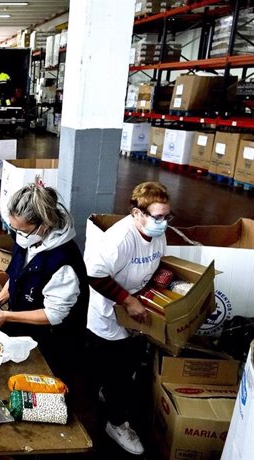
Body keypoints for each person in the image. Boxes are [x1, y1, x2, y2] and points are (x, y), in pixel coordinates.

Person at [85, 181, 172, 456]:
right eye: (157, 217)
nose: (163, 222)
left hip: (136, 313)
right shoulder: (119, 240)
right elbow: (94, 275)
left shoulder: (156, 234)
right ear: (137, 213)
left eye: (167, 216)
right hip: (111, 313)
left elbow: (154, 264)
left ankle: (110, 396)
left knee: (126, 366)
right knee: (117, 370)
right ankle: (115, 423)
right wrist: (129, 300)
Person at [0, 184, 89, 382]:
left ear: (44, 225)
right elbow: (17, 276)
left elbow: (54, 314)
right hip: (24, 329)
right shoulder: (26, 239)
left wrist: (5, 316)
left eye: (23, 230)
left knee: (43, 387)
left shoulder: (63, 262)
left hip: (53, 341)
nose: (18, 235)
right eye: (14, 228)